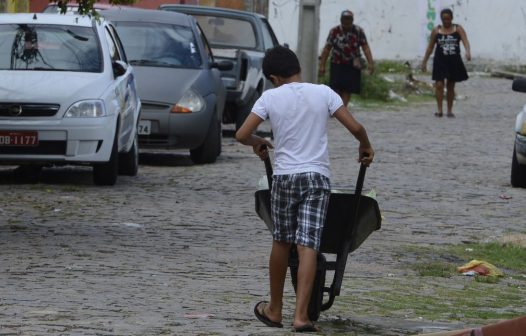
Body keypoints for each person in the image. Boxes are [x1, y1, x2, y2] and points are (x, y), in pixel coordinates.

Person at [235, 46, 374, 332]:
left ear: (274, 77)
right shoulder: (324, 93)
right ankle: (301, 317)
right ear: (297, 68)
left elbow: (241, 134)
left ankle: (274, 310)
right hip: (316, 177)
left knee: (281, 241)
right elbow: (356, 127)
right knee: (308, 243)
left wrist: (259, 142)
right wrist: (365, 145)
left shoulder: (270, 97)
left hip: (285, 177)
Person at [318, 9, 374, 108]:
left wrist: (371, 64)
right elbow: (327, 49)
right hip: (337, 63)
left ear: (352, 20)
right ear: (341, 20)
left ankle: (342, 109)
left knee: (348, 89)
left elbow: (365, 47)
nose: (346, 21)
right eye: (344, 19)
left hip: (352, 65)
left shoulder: (358, 31)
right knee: (335, 88)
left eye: (349, 19)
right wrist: (322, 65)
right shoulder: (334, 31)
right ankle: (336, 107)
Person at [421, 8, 471, 118]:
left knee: (450, 86)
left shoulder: (458, 29)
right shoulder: (436, 31)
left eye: (448, 19)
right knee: (439, 85)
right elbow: (430, 47)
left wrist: (467, 52)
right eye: (444, 19)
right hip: (440, 61)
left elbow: (465, 41)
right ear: (441, 19)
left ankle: (449, 110)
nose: (446, 21)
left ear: (452, 18)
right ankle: (439, 110)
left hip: (453, 61)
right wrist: (424, 61)